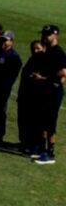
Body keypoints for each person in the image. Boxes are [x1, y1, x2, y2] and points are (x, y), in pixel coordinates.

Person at [31, 25, 66, 165]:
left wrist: (44, 78)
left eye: (48, 34)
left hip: (53, 90)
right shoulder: (48, 51)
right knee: (43, 120)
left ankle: (50, 153)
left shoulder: (58, 52)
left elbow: (63, 72)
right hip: (46, 90)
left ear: (55, 36)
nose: (45, 37)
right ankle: (42, 148)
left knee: (50, 122)